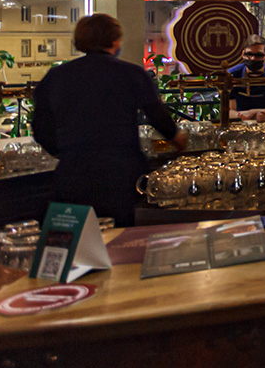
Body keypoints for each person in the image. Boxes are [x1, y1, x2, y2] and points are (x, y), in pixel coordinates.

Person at [32, 13, 188, 227]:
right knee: (121, 234)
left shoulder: (56, 76)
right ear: (115, 41)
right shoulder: (131, 73)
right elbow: (157, 115)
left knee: (77, 233)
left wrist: (63, 151)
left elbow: (41, 127)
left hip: (73, 171)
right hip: (121, 171)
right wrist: (176, 138)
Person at [228, 34, 265, 122]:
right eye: (249, 54)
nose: (253, 58)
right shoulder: (232, 75)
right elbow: (229, 111)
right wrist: (242, 115)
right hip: (240, 121)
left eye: (258, 55)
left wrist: (256, 112)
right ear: (243, 54)